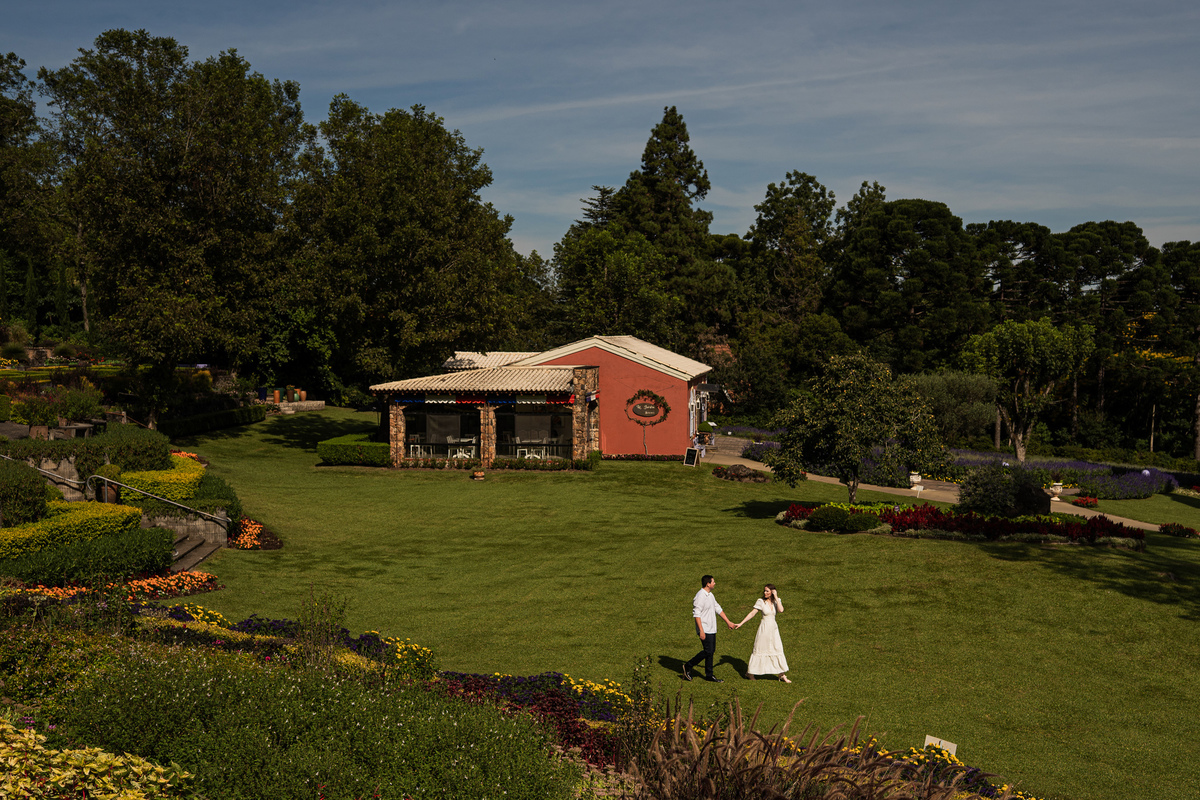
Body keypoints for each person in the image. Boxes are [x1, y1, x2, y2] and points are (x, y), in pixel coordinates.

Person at [683, 574, 736, 682]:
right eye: (713, 582)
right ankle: (688, 665)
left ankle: (709, 675)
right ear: (708, 584)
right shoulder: (700, 596)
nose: (714, 583)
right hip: (704, 628)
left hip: (711, 628)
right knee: (708, 650)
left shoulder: (710, 595)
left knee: (711, 651)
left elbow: (718, 609)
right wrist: (701, 631)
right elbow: (696, 614)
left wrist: (728, 622)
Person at [734, 584, 790, 683]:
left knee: (777, 648)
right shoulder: (761, 602)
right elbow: (752, 613)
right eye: (764, 591)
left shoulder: (777, 601)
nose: (765, 593)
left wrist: (776, 597)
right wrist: (741, 623)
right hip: (764, 629)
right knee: (759, 649)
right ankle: (750, 674)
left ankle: (782, 675)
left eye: (767, 591)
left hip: (774, 629)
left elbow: (781, 610)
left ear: (772, 592)